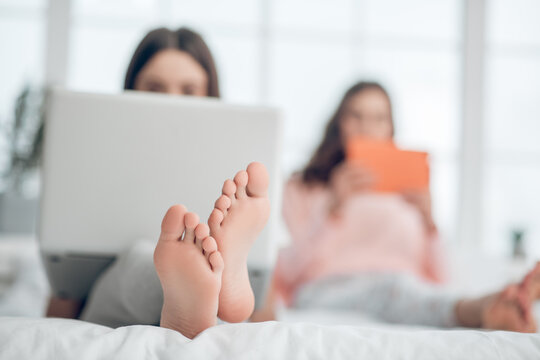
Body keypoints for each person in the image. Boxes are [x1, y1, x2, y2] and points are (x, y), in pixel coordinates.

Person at [153, 161, 539, 339]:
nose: (367, 126)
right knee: (395, 291)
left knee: (409, 293)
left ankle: (493, 305)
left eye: (377, 118)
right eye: (357, 117)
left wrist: (430, 223)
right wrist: (334, 207)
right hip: (328, 286)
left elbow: (441, 279)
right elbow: (291, 267)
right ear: (340, 125)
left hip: (405, 289)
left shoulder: (411, 196)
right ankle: (228, 292)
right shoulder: (312, 187)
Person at [45, 26, 221, 320]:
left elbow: (268, 317)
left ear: (209, 94)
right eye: (155, 88)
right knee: (141, 259)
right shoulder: (93, 161)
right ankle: (193, 294)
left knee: (222, 277)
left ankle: (206, 292)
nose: (172, 102)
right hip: (117, 293)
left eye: (189, 90)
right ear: (132, 89)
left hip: (216, 292)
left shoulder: (238, 182)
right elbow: (64, 293)